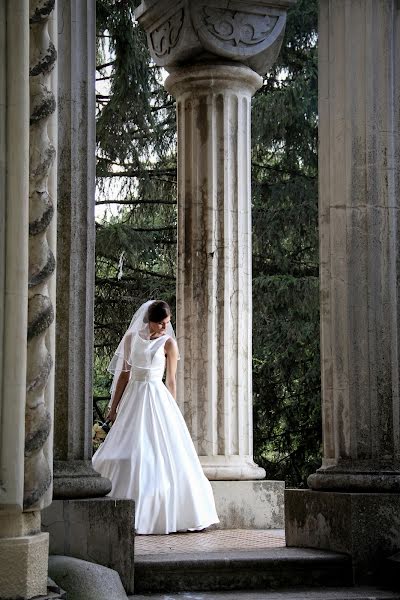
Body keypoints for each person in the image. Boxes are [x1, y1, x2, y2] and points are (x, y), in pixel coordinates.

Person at [92, 300, 219, 535]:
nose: (164, 327)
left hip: (157, 397)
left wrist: (171, 407)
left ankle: (157, 514)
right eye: (160, 323)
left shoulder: (169, 343)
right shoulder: (131, 339)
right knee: (127, 451)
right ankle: (119, 508)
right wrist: (113, 407)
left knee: (160, 454)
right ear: (149, 320)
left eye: (167, 323)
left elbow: (170, 380)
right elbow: (123, 376)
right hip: (133, 398)